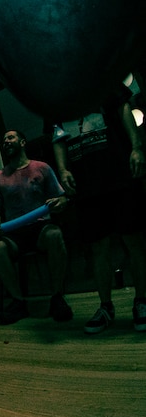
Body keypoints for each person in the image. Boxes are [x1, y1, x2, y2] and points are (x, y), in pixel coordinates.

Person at [52, 91, 146, 334]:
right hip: (86, 184)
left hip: (118, 173)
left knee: (134, 240)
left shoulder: (101, 78)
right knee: (98, 248)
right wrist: (63, 170)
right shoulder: (55, 96)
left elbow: (123, 108)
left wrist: (136, 147)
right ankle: (106, 307)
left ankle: (142, 301)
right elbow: (58, 136)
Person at [0, 130, 73, 325]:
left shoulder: (41, 168)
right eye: (4, 140)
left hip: (40, 227)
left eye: (10, 138)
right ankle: (18, 302)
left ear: (23, 142)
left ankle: (57, 297)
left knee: (55, 235)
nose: (6, 142)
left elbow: (61, 198)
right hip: (14, 233)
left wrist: (60, 203)